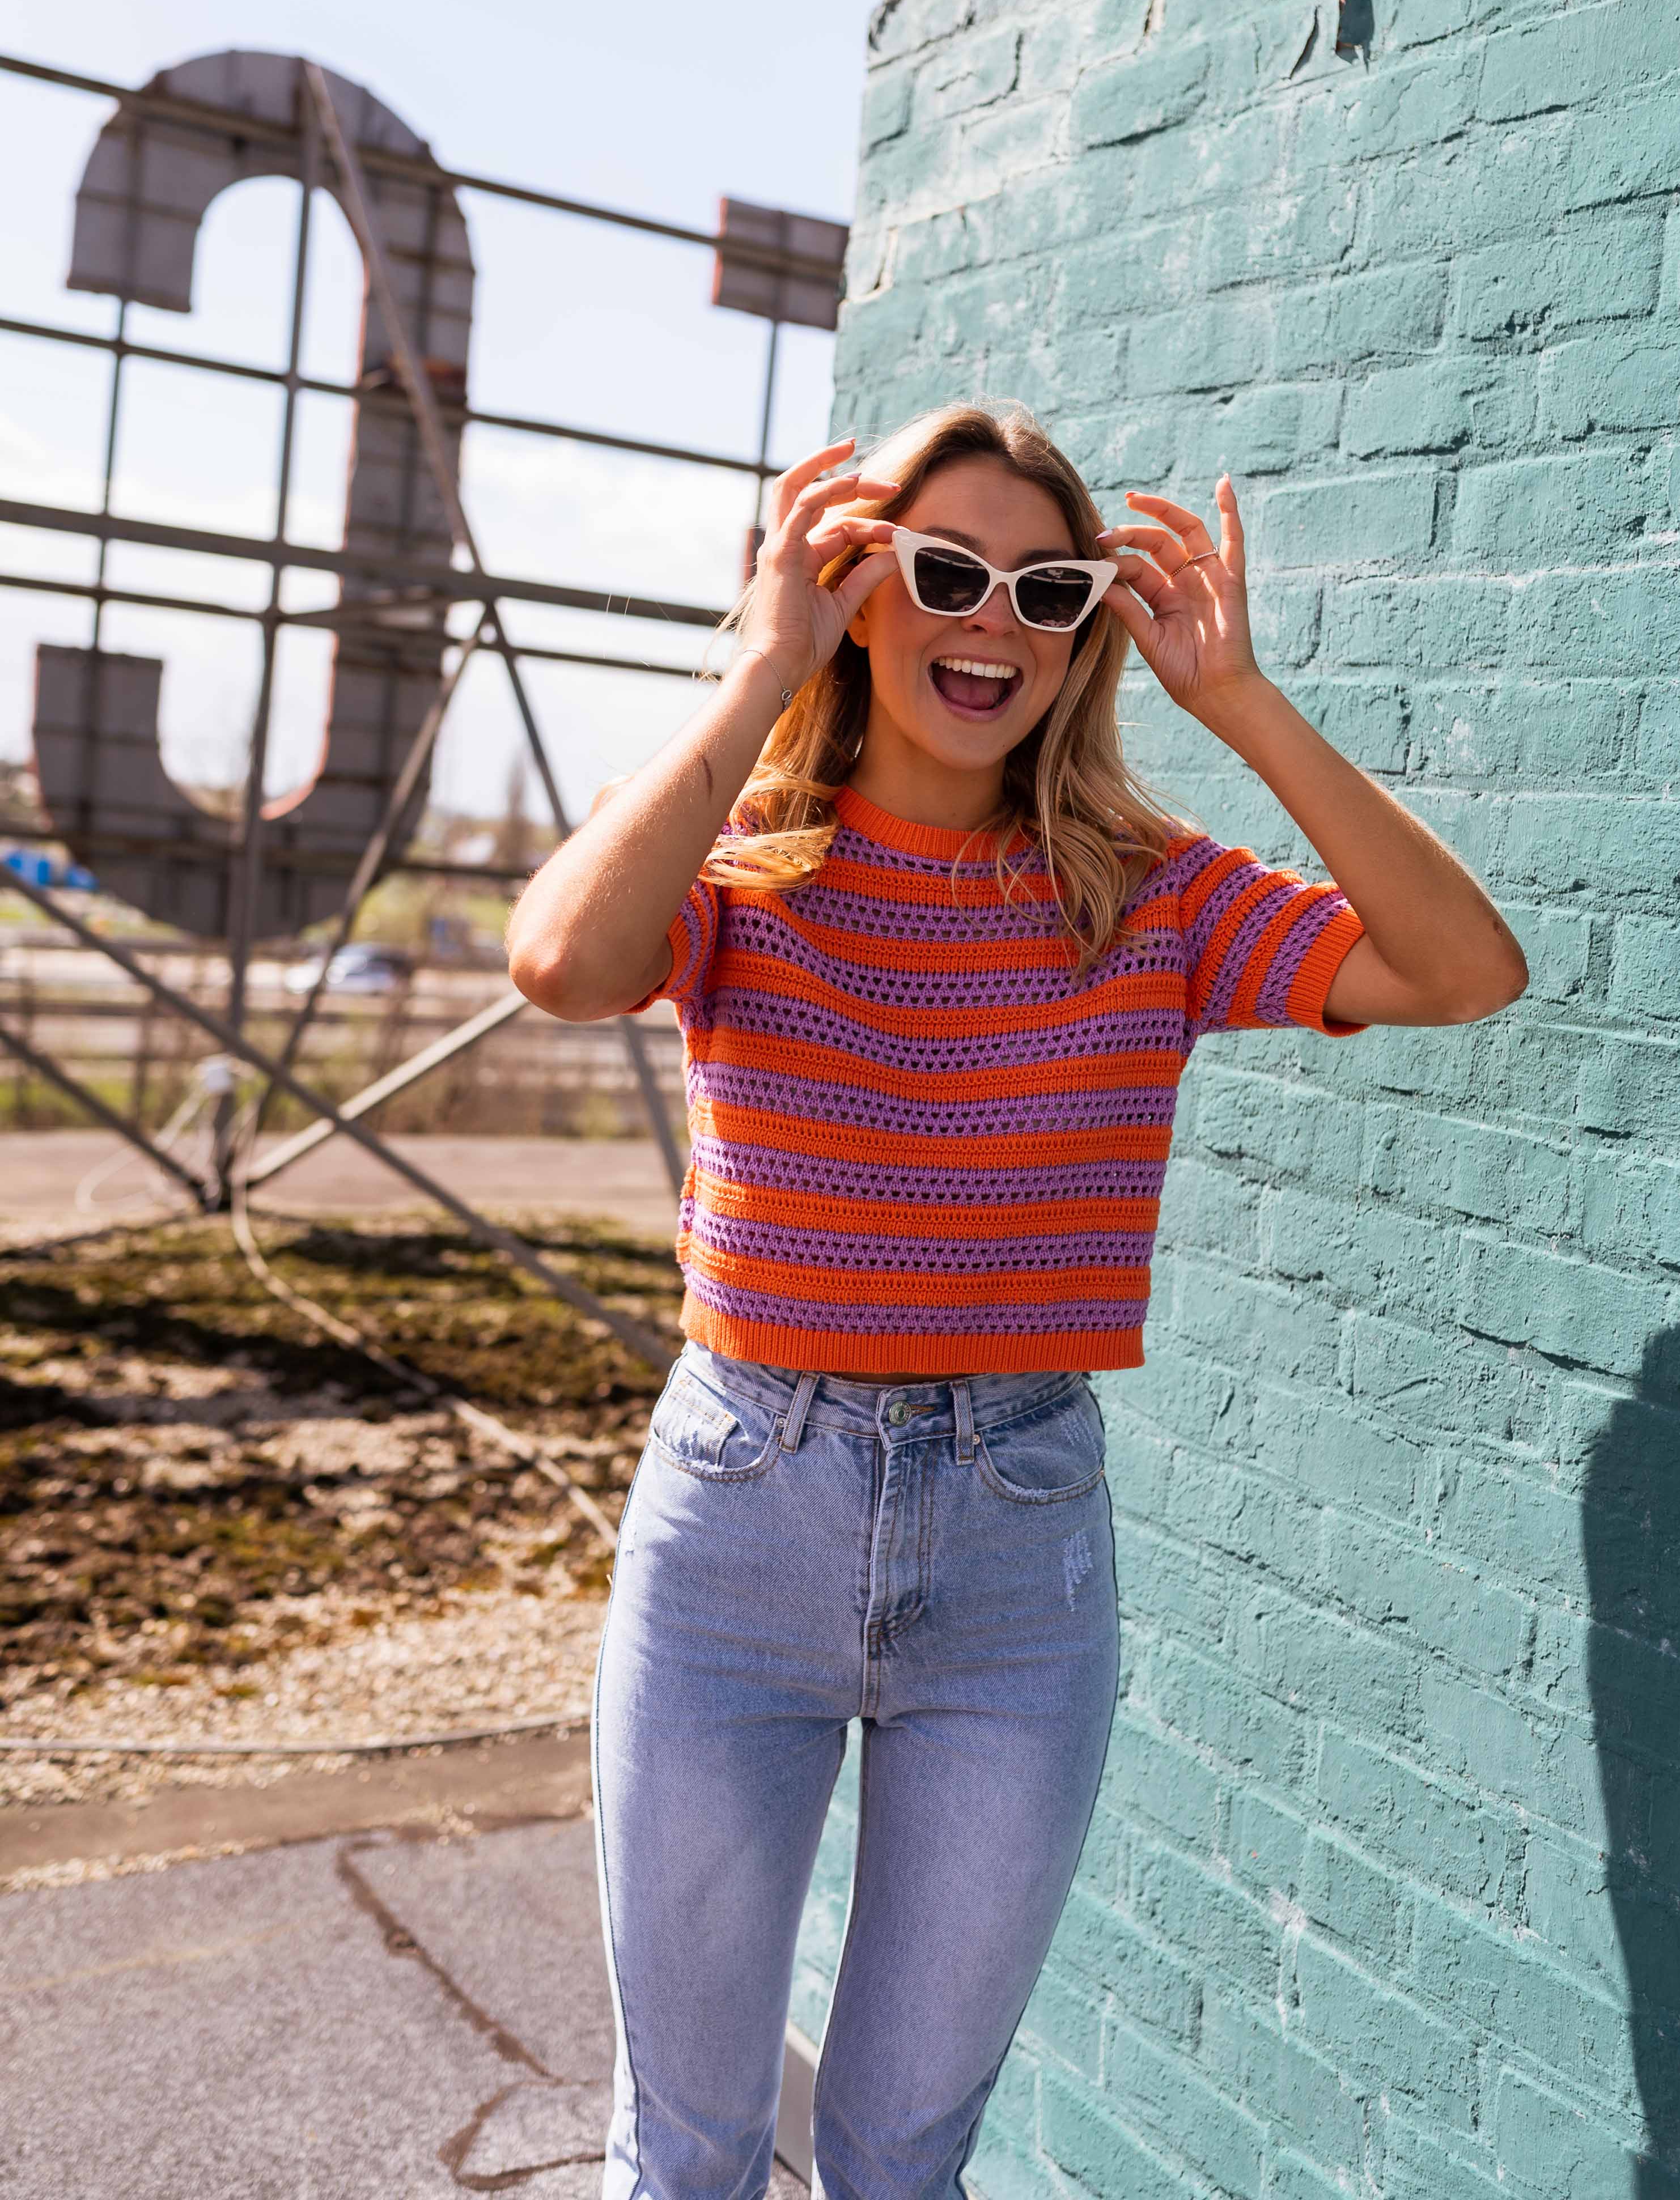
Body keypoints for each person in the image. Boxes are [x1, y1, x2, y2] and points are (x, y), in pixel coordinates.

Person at [507, 403, 1528, 2200]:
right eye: (946, 572)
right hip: (745, 1510)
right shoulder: (736, 864)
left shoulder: (1148, 899)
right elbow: (565, 961)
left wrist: (1241, 706)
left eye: (1044, 592)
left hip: (1019, 1536)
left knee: (904, 2155)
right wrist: (759, 671)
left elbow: (1466, 969)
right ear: (858, 589)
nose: (992, 624)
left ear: (1083, 632)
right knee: (689, 2150)